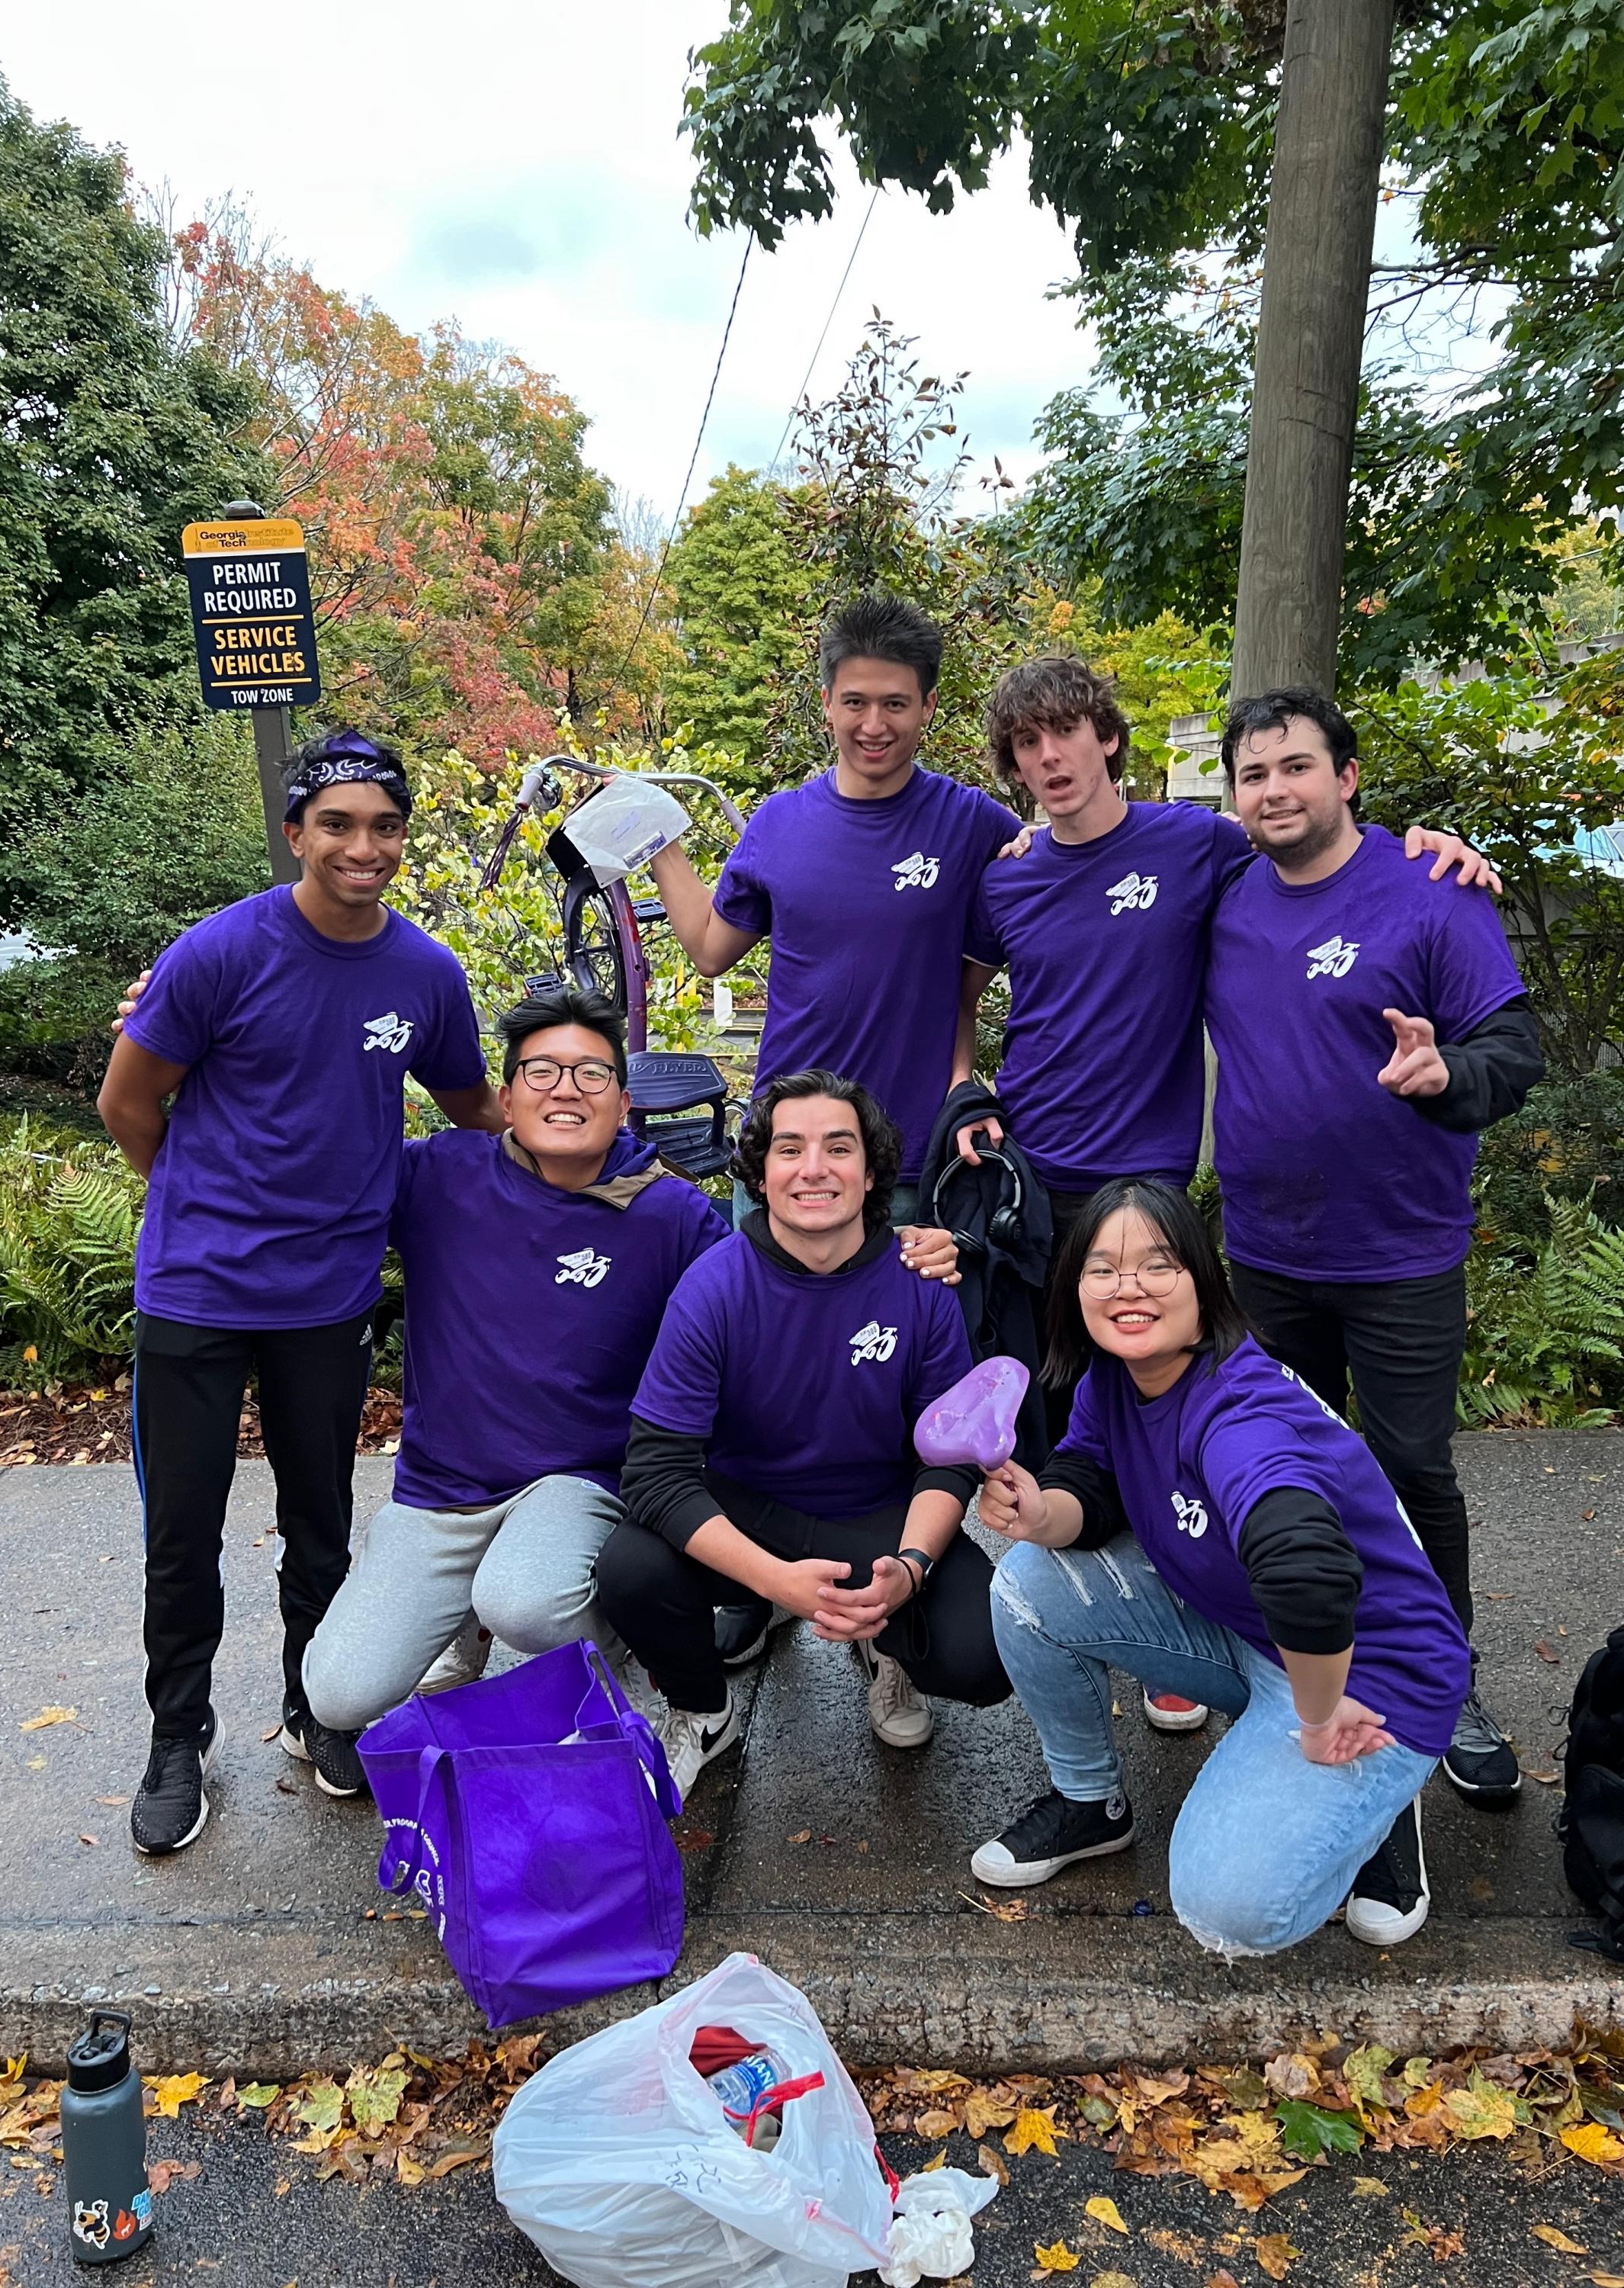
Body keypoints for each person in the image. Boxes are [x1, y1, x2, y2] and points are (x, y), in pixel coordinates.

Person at [950, 656, 1497, 1734]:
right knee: (1076, 1422)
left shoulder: (1195, 845)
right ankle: (1118, 1617)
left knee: (1219, 1425)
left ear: (1107, 737)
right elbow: (957, 995)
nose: (1047, 758)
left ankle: (1375, 1670)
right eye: (1024, 744)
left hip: (1148, 1191)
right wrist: (965, 1081)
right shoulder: (1005, 874)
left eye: (1064, 732)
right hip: (1031, 1186)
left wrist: (1435, 852)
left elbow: (1319, 844)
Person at [97, 729, 504, 1855]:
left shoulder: (424, 974)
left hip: (325, 1299)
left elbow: (472, 1106)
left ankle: (313, 1712)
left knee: (318, 1524)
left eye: (382, 825)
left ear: (402, 838)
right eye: (336, 824)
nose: (360, 846)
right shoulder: (219, 953)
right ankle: (177, 1737)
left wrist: (587, 1119)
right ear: (296, 835)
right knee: (182, 1533)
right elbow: (128, 1106)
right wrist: (195, 1202)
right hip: (197, 1294)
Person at [973, 1180, 1470, 1953]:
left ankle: (1376, 1801)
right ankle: (1090, 1804)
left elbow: (1305, 1565)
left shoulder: (1240, 1413)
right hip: (1247, 1630)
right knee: (1029, 1584)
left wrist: (1316, 1712)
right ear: (1075, 1289)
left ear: (1204, 1285)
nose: (1127, 1286)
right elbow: (1090, 1482)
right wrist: (1042, 1514)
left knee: (1228, 1909)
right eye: (1102, 1267)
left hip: (1363, 1683)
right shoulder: (1120, 1377)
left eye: (1157, 1264)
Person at [1206, 686, 1543, 1808]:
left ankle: (1446, 1684)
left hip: (1399, 1253)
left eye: (1295, 766)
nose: (1274, 790)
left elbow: (1512, 1047)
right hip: (1264, 1251)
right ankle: (1297, 1674)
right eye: (1253, 775)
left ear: (1346, 777)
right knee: (1282, 1475)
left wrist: (1448, 1077)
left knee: (1410, 1472)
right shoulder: (1224, 895)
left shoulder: (1429, 893)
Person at [301, 984, 730, 1730]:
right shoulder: (440, 1175)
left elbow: (766, 1300)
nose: (567, 1090)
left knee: (527, 1602)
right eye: (542, 1072)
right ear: (505, 1097)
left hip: (579, 1481)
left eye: (591, 1073)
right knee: (338, 1695)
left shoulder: (666, 1209)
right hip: (442, 1491)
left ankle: (622, 1639)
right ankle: (457, 1612)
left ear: (623, 1103)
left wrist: (901, 1261)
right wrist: (192, 1038)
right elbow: (314, 1148)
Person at [595, 1070, 1010, 1799]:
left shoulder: (920, 1280)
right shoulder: (713, 1287)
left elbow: (950, 1460)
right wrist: (774, 1581)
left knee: (983, 1653)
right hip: (750, 1514)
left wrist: (909, 1569)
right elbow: (656, 1474)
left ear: (872, 1169)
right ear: (759, 1171)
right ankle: (703, 1709)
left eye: (838, 1147)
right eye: (790, 1148)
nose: (814, 1168)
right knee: (631, 1568)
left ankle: (889, 1646)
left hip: (873, 1517)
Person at [648, 593, 1020, 1222]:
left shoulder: (972, 823)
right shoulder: (779, 823)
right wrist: (658, 840)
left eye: (895, 704)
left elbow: (1056, 872)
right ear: (827, 704)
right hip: (785, 1154)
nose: (874, 724)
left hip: (905, 1167)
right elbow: (711, 950)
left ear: (927, 706)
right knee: (767, 1323)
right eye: (855, 702)